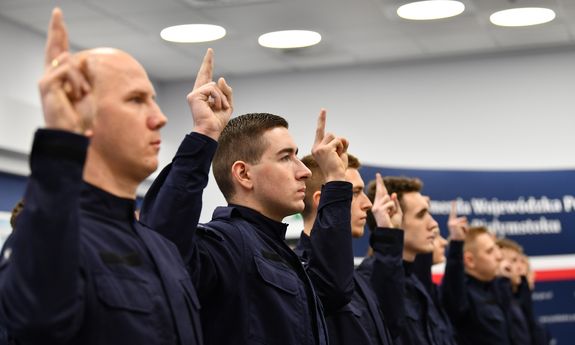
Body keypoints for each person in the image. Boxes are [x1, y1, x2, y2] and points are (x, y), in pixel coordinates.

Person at [0, 8, 232, 345]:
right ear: (84, 116)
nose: (160, 117)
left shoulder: (158, 246)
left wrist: (205, 135)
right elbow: (35, 316)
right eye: (136, 100)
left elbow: (171, 219)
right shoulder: (52, 241)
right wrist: (62, 139)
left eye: (153, 99)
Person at [140, 108, 354, 345]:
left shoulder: (278, 251)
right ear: (243, 174)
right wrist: (204, 135)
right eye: (285, 157)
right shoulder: (227, 243)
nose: (303, 171)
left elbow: (332, 289)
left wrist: (334, 179)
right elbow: (162, 247)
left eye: (297, 155)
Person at [297, 154, 393, 345]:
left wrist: (389, 233)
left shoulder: (353, 276)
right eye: (355, 192)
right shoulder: (301, 275)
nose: (368, 204)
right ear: (324, 199)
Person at [365, 176, 457, 345]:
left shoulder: (415, 282)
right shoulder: (370, 281)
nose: (434, 224)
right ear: (393, 217)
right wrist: (389, 232)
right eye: (421, 215)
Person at [441, 222, 515, 345]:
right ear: (469, 260)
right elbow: (453, 284)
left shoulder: (491, 286)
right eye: (490, 251)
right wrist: (457, 243)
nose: (499, 256)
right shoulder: (461, 296)